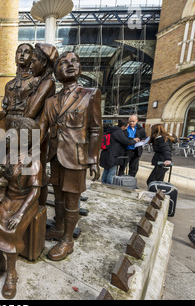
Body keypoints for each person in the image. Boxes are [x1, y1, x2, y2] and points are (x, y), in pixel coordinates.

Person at [39, 51, 103, 261]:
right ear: (56, 71)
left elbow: (95, 129)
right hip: (55, 155)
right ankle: (58, 228)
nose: (70, 65)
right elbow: (41, 130)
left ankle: (68, 240)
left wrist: (93, 158)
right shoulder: (51, 101)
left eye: (74, 61)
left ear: (80, 67)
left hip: (76, 156)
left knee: (71, 200)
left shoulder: (89, 94)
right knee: (57, 195)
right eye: (63, 63)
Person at [0, 117, 42, 299]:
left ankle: (12, 272)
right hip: (8, 197)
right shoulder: (10, 155)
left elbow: (35, 191)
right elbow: (4, 177)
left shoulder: (33, 160)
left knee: (9, 229)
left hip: (25, 202)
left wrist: (19, 214)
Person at [25, 42, 58, 206]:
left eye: (33, 61)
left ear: (44, 62)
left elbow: (31, 112)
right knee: (32, 171)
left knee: (38, 172)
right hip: (31, 132)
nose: (30, 65)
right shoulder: (40, 82)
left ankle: (39, 208)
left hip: (37, 134)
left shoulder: (48, 83)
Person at [2, 43, 35, 128]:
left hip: (26, 122)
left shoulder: (35, 81)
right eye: (19, 52)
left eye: (26, 52)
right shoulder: (9, 84)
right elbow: (4, 108)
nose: (22, 54)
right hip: (8, 121)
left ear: (32, 58)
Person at [100, 120, 139, 184]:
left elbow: (122, 139)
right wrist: (134, 141)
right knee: (112, 172)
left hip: (106, 153)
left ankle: (103, 184)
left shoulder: (111, 130)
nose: (126, 128)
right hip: (113, 155)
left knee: (106, 170)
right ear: (123, 126)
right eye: (126, 126)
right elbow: (126, 141)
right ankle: (109, 186)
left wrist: (132, 139)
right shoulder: (118, 131)